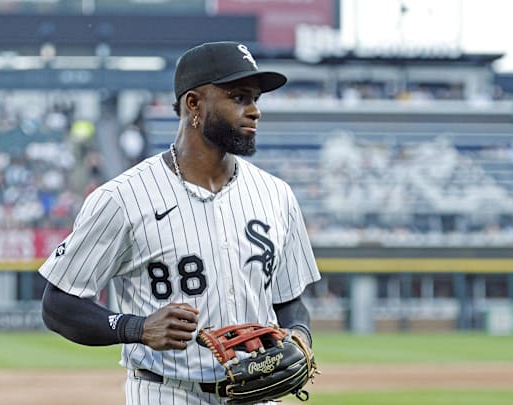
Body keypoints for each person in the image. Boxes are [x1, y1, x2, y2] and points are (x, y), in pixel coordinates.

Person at [38, 41, 321, 405]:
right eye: (238, 97)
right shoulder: (123, 198)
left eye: (256, 99)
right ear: (193, 105)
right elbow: (58, 305)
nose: (254, 111)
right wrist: (135, 328)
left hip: (258, 395)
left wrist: (299, 336)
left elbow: (289, 302)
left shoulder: (277, 195)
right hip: (167, 391)